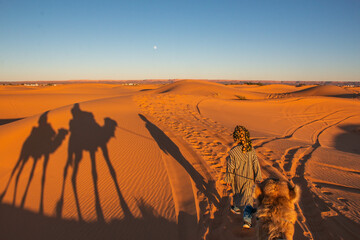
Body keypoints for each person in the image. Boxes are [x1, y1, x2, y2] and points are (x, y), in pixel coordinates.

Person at [224, 125, 262, 229]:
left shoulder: (233, 152)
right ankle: (245, 217)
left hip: (237, 179)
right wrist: (258, 176)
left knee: (238, 195)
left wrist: (228, 179)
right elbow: (256, 164)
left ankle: (246, 220)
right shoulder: (251, 150)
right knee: (247, 197)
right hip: (249, 178)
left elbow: (230, 167)